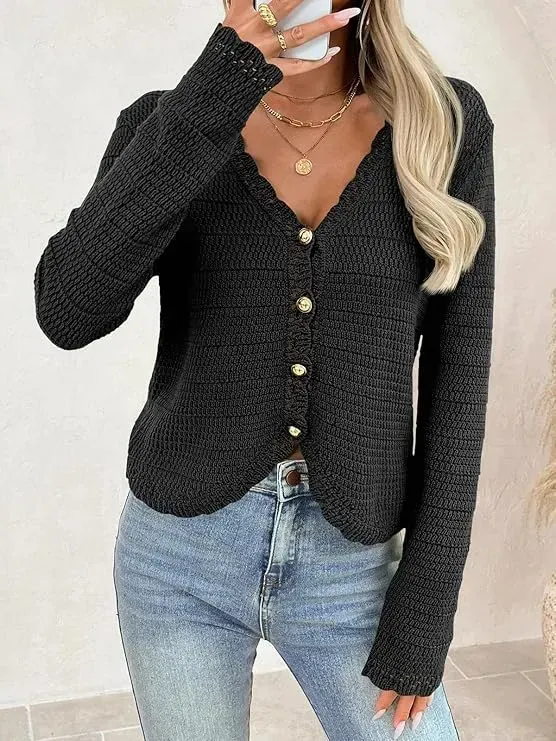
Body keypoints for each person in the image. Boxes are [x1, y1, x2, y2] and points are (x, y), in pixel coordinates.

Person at [33, 0, 496, 738]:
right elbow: (67, 310)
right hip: (179, 559)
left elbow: (460, 380)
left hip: (352, 568)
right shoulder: (167, 123)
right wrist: (220, 83)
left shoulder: (444, 124)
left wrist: (428, 605)